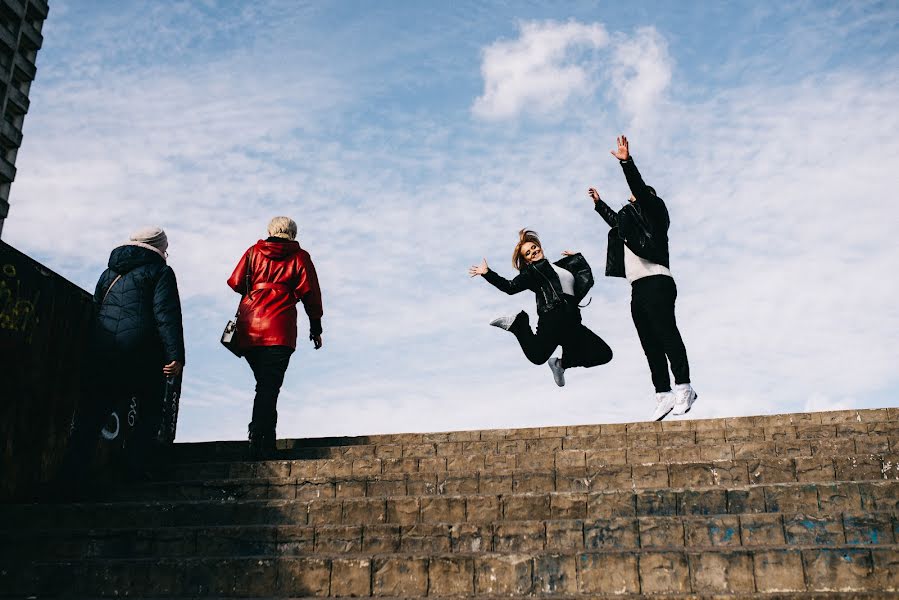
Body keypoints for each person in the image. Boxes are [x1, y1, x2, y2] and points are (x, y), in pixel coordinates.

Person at [59, 226, 185, 486]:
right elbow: (166, 315)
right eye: (165, 247)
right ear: (158, 247)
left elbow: (97, 308)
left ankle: (71, 475)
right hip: (143, 352)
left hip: (104, 350)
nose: (167, 252)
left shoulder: (109, 272)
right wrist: (176, 355)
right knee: (150, 410)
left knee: (91, 414)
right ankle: (133, 468)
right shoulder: (161, 271)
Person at [590, 135, 696, 420]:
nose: (631, 202)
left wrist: (627, 163)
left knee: (666, 335)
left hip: (658, 281)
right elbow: (618, 222)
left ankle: (684, 387)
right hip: (638, 288)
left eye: (635, 199)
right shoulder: (633, 225)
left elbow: (639, 190)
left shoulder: (656, 211)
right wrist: (600, 205)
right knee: (649, 343)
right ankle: (663, 393)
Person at [227, 216, 323, 458]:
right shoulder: (300, 257)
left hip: (250, 327)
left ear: (270, 230)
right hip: (279, 328)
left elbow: (236, 282)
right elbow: (311, 294)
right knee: (269, 386)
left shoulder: (252, 252)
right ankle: (260, 439)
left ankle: (262, 437)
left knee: (265, 385)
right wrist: (316, 327)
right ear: (293, 232)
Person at [469, 229, 612, 386]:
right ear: (527, 260)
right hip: (553, 319)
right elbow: (510, 287)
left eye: (533, 248)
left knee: (604, 354)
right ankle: (519, 324)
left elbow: (584, 278)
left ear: (539, 246)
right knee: (537, 357)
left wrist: (577, 258)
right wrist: (487, 273)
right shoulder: (533, 272)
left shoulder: (561, 266)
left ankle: (560, 365)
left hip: (573, 321)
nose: (533, 252)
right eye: (528, 253)